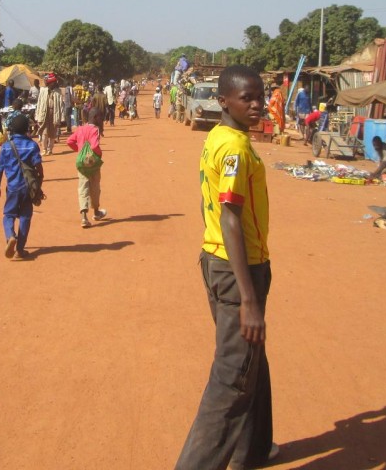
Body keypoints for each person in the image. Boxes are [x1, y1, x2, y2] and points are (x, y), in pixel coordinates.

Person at [175, 65, 277, 470]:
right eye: (246, 98)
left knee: (252, 360)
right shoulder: (234, 147)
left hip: (220, 261)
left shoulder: (220, 136)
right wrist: (248, 298)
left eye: (259, 95)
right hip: (237, 268)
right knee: (233, 377)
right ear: (224, 102)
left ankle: (252, 449)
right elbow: (231, 216)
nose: (256, 104)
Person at [0, 114, 43, 260]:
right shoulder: (32, 145)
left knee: (9, 215)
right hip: (28, 187)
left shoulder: (7, 146)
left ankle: (10, 236)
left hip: (12, 187)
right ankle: (20, 250)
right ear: (27, 129)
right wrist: (39, 183)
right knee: (26, 216)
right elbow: (39, 167)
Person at [66, 120, 106, 228]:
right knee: (95, 187)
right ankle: (96, 212)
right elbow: (94, 146)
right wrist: (99, 155)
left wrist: (79, 151)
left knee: (83, 187)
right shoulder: (95, 130)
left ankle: (84, 217)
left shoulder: (80, 129)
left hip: (81, 164)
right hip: (92, 163)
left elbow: (69, 141)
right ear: (97, 118)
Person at [35, 74, 65, 155]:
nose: (53, 84)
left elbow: (61, 105)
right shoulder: (42, 91)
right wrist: (37, 115)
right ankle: (44, 149)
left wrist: (62, 117)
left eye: (54, 83)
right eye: (51, 83)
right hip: (44, 114)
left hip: (54, 114)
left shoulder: (58, 92)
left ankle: (50, 150)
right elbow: (39, 103)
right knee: (44, 133)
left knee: (52, 133)